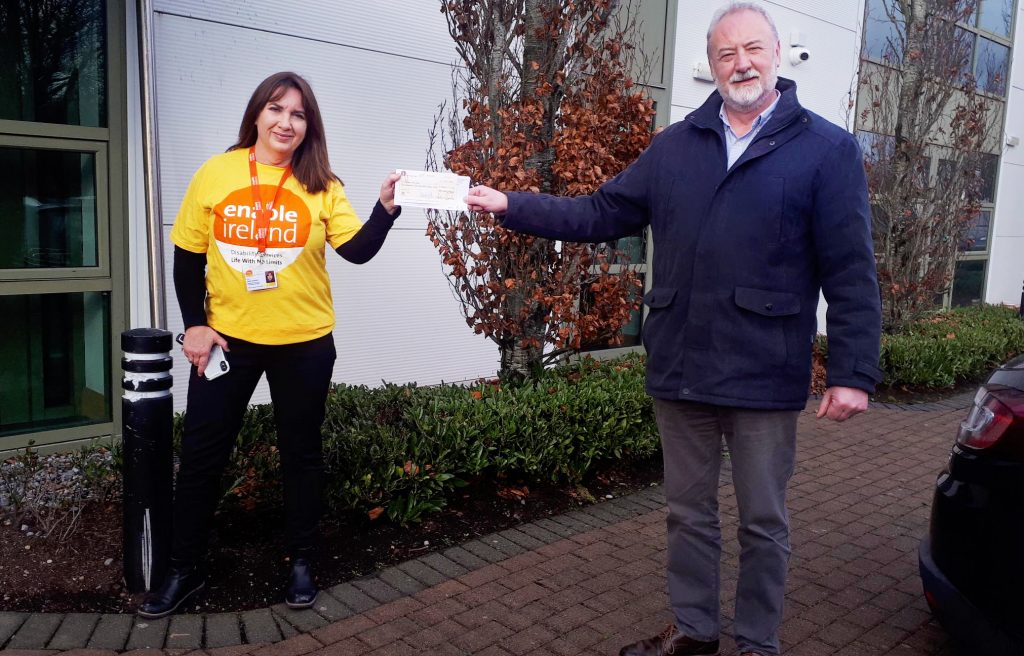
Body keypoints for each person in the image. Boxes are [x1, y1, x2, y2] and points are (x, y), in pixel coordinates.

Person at [465, 3, 882, 655]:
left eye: (752, 49)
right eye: (725, 53)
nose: (740, 63)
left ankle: (757, 642)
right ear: (711, 64)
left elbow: (851, 269)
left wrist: (853, 372)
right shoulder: (675, 147)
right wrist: (510, 204)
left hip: (764, 370)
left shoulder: (827, 150)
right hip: (682, 366)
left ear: (776, 55)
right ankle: (694, 630)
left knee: (763, 522)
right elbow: (600, 212)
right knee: (687, 513)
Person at [138, 71, 403, 618]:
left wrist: (385, 209)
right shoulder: (217, 172)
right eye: (277, 109)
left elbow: (356, 251)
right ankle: (184, 570)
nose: (286, 122)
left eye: (298, 114)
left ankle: (302, 561)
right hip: (227, 342)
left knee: (301, 455)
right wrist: (195, 325)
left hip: (304, 343)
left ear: (310, 126)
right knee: (202, 456)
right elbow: (187, 258)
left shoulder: (321, 183)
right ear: (257, 114)